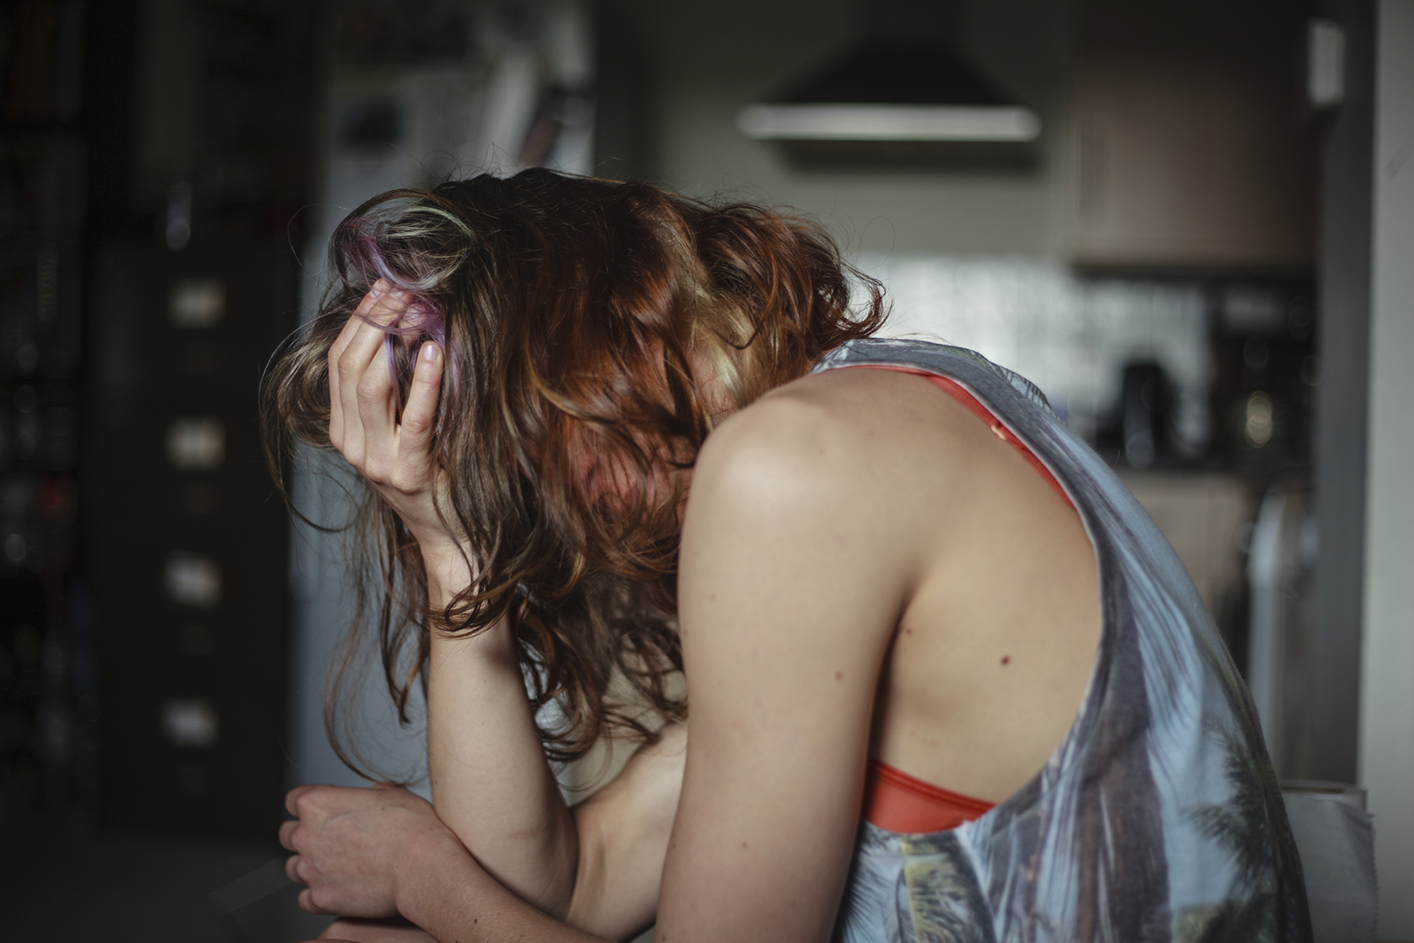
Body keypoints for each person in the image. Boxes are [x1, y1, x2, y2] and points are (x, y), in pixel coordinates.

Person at [263, 169, 1310, 943]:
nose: (560, 532)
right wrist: (446, 545)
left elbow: (487, 896)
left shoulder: (795, 470)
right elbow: (562, 884)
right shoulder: (891, 403)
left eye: (529, 468)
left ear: (583, 360)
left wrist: (421, 876)